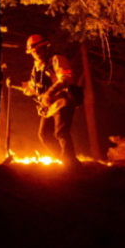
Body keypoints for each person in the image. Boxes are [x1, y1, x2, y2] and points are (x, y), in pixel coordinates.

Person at [20, 34, 82, 166]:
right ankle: (60, 160)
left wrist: (49, 93)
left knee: (61, 133)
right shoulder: (37, 68)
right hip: (48, 107)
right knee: (44, 135)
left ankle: (71, 164)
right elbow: (32, 87)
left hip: (62, 102)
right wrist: (16, 84)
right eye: (34, 52)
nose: (37, 53)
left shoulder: (57, 59)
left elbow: (66, 78)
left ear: (45, 48)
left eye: (39, 50)